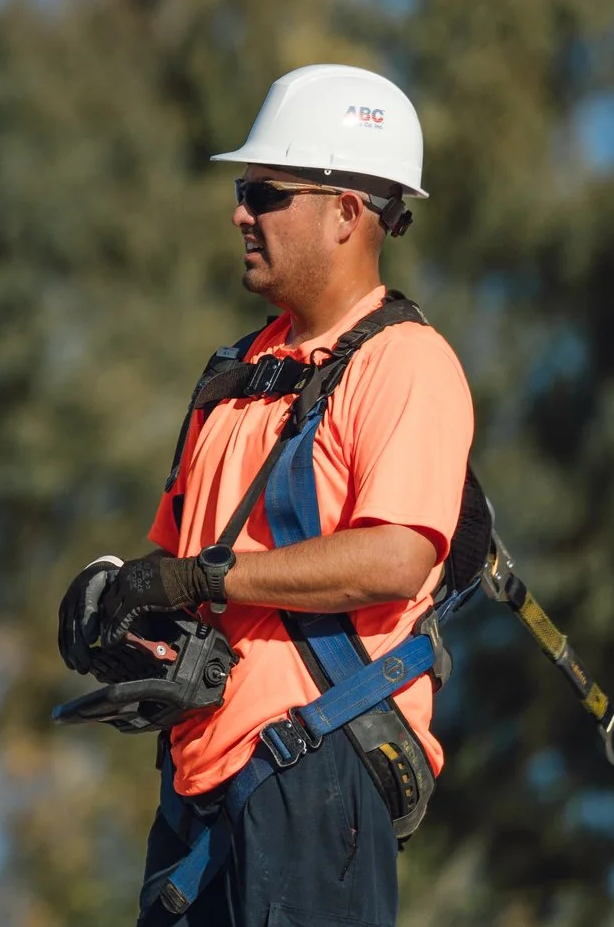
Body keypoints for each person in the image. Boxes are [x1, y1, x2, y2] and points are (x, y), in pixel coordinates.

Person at [57, 64, 476, 926]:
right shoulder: (234, 377)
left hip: (314, 781)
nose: (240, 212)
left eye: (264, 191)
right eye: (244, 192)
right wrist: (118, 607)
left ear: (346, 211)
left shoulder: (406, 364)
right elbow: (174, 571)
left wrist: (202, 581)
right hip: (198, 797)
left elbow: (399, 555)